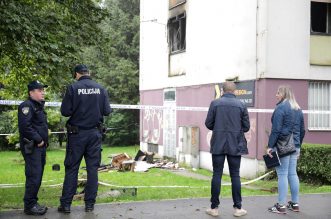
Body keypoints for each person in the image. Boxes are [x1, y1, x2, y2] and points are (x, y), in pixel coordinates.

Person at [58, 64, 112, 213]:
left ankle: (66, 205)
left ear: (76, 74)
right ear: (89, 73)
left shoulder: (73, 88)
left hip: (77, 135)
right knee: (92, 170)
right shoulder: (100, 88)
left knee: (72, 169)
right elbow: (107, 111)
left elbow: (65, 111)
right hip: (94, 135)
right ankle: (89, 205)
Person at [205, 81, 250, 217]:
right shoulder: (242, 105)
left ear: (223, 91)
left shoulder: (215, 103)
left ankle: (214, 208)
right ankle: (238, 208)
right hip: (235, 144)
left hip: (218, 143)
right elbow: (246, 127)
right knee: (235, 175)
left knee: (216, 174)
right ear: (235, 91)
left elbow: (208, 123)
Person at [267, 85, 305, 214]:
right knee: (293, 174)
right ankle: (295, 204)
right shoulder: (298, 108)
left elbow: (276, 129)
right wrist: (298, 146)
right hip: (295, 145)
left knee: (282, 174)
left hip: (283, 146)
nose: (276, 95)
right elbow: (302, 130)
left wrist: (270, 146)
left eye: (278, 93)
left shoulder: (281, 108)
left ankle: (281, 206)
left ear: (283, 94)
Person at [18, 80, 49, 216]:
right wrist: (39, 140)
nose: (43, 92)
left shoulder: (38, 106)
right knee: (33, 176)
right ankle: (29, 206)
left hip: (40, 148)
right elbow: (25, 127)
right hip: (33, 147)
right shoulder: (27, 106)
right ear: (31, 92)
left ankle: (33, 203)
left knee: (38, 175)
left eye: (43, 89)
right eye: (39, 90)